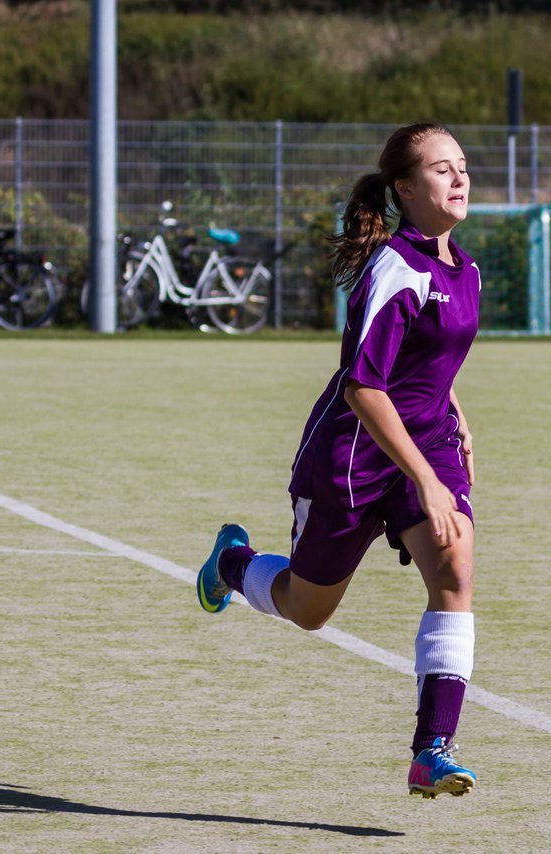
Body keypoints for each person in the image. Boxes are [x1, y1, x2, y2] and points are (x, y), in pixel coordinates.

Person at [196, 122, 481, 800]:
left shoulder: (463, 266)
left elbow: (427, 361)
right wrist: (422, 479)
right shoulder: (396, 268)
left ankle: (431, 751)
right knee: (308, 608)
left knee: (455, 570)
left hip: (427, 444)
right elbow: (363, 385)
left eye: (463, 166)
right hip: (351, 457)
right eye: (443, 170)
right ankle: (230, 565)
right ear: (406, 189)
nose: (460, 178)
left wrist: (455, 414)